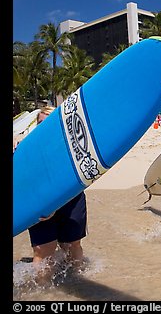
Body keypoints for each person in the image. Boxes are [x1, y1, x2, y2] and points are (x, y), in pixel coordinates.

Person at [25, 107, 88, 283]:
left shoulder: (73, 146)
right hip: (41, 201)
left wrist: (57, 202)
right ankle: (42, 294)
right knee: (43, 249)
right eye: (40, 123)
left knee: (72, 244)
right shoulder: (27, 147)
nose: (43, 128)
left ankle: (78, 284)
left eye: (49, 123)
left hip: (71, 198)